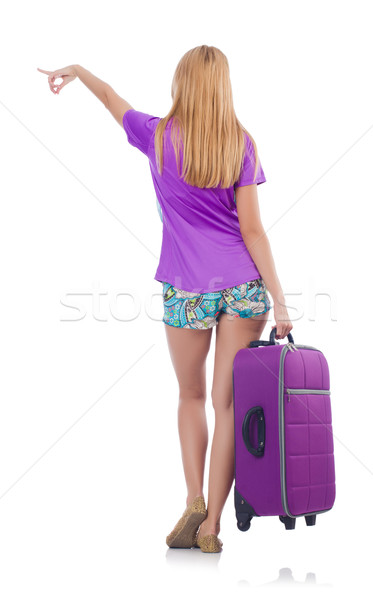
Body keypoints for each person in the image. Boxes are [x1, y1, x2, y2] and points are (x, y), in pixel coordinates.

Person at [37, 45, 293, 553]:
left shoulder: (157, 136)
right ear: (224, 87)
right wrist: (280, 303)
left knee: (192, 397)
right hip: (243, 289)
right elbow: (254, 231)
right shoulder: (240, 144)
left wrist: (79, 70)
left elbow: (111, 99)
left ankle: (194, 497)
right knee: (228, 405)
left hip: (185, 288)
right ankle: (212, 526)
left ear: (181, 85)